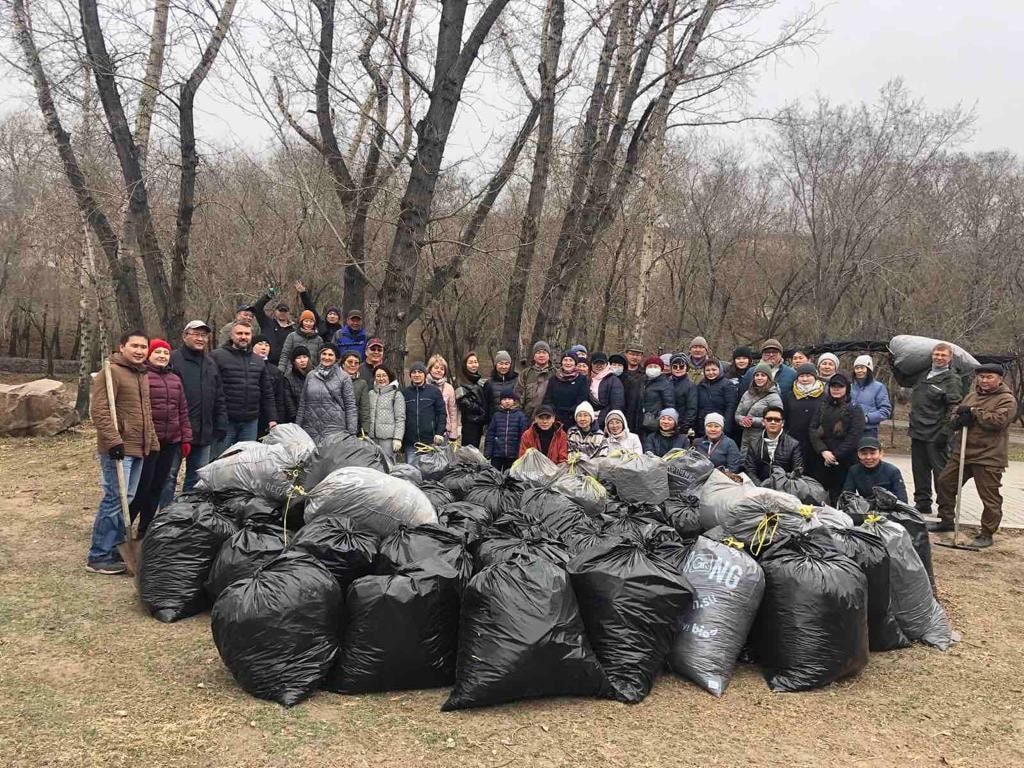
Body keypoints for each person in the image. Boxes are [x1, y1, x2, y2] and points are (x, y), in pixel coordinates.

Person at [87, 330, 158, 574]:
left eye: (143, 347)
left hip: (138, 447)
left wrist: (153, 443)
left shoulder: (141, 374)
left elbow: (145, 413)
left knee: (125, 500)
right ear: (121, 347)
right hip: (118, 448)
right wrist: (114, 441)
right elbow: (99, 411)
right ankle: (98, 556)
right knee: (114, 500)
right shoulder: (112, 373)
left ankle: (114, 549)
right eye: (134, 346)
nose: (139, 351)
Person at [931, 363, 1018, 548]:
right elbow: (956, 414)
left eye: (989, 377)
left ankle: (987, 533)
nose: (984, 380)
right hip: (963, 452)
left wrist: (974, 413)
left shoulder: (1006, 399)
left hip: (988, 455)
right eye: (981, 377)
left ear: (1000, 379)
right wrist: (958, 418)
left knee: (989, 497)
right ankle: (946, 520)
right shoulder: (971, 395)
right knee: (945, 482)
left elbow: (998, 421)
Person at [129, 339, 192, 538]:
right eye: (158, 352)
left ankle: (145, 528)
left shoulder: (175, 379)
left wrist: (185, 438)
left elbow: (182, 410)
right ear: (149, 354)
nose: (162, 356)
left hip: (170, 441)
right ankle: (125, 526)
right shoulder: (142, 377)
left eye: (166, 353)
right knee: (142, 487)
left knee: (158, 486)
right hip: (148, 442)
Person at [166, 320, 226, 499]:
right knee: (169, 476)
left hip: (204, 430)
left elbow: (219, 394)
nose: (200, 339)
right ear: (185, 336)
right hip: (176, 431)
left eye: (204, 335)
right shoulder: (173, 359)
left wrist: (221, 421)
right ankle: (165, 516)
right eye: (196, 334)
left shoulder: (210, 363)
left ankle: (186, 515)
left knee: (196, 476)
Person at [909, 342, 964, 516]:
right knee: (919, 469)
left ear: (950, 358)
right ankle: (922, 502)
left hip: (936, 433)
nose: (939, 358)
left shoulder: (952, 379)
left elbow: (954, 407)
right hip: (917, 429)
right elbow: (904, 379)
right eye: (937, 354)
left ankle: (945, 509)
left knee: (942, 473)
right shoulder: (924, 374)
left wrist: (947, 431)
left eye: (943, 355)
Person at [211, 321, 277, 455]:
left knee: (246, 461)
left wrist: (272, 419)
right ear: (231, 335)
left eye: (247, 334)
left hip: (250, 422)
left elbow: (267, 392)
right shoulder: (217, 356)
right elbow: (211, 389)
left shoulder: (258, 361)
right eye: (239, 333)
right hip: (225, 421)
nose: (243, 337)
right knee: (219, 461)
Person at [809, 373, 865, 503]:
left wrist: (835, 455)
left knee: (841, 497)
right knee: (819, 496)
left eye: (840, 386)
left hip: (844, 460)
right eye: (833, 386)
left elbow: (854, 436)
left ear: (847, 388)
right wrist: (823, 451)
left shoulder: (854, 408)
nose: (836, 389)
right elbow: (812, 428)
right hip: (821, 457)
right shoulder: (822, 405)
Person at [296, 345, 358, 442]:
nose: (326, 357)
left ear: (336, 358)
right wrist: (298, 427)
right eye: (324, 354)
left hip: (335, 429)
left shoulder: (344, 377)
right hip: (311, 428)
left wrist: (352, 432)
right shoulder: (310, 375)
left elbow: (350, 406)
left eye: (330, 355)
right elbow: (303, 403)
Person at [783, 363, 827, 480]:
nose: (805, 379)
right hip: (794, 440)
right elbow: (785, 417)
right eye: (802, 376)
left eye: (808, 375)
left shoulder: (824, 396)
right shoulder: (790, 396)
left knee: (815, 475)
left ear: (815, 377)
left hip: (817, 442)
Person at [742, 405, 803, 482]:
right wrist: (761, 487)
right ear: (763, 422)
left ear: (783, 423)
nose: (773, 422)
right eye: (769, 419)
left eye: (777, 420)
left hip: (784, 488)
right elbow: (750, 471)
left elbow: (796, 471)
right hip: (760, 488)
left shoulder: (793, 444)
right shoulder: (754, 444)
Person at [402, 361, 446, 461]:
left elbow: (442, 414)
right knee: (412, 472)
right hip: (411, 443)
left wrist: (439, 432)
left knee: (430, 472)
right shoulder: (405, 393)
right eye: (414, 372)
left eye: (420, 372)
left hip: (430, 441)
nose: (417, 375)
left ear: (425, 374)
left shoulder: (434, 391)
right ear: (410, 375)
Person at [734, 362, 783, 452]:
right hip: (745, 439)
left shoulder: (774, 397)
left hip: (763, 439)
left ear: (768, 378)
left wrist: (752, 421)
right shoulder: (747, 393)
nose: (759, 378)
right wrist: (742, 419)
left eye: (763, 375)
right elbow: (737, 414)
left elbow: (776, 419)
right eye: (757, 375)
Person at [843, 436, 908, 502]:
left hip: (889, 508)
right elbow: (847, 496)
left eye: (872, 453)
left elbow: (903, 501)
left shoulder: (893, 471)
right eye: (864, 454)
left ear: (881, 453)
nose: (868, 457)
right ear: (858, 454)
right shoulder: (854, 470)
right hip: (865, 508)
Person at [365, 365, 406, 461]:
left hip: (388, 440)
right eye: (378, 376)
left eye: (384, 375)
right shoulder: (371, 393)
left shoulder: (396, 394)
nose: (381, 378)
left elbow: (400, 418)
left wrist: (398, 438)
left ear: (389, 377)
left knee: (388, 465)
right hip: (371, 438)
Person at [849, 354, 892, 439]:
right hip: (849, 430)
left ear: (868, 369)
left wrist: (866, 418)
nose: (859, 370)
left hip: (868, 431)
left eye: (862, 368)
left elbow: (885, 410)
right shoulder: (849, 387)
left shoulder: (879, 387)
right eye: (857, 368)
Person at [252, 335, 287, 437]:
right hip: (249, 416)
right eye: (260, 344)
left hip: (268, 418)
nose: (264, 347)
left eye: (267, 345)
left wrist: (278, 419)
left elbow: (279, 399)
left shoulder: (275, 371)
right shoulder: (245, 365)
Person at [543, 352, 590, 428]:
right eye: (565, 360)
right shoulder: (553, 379)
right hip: (555, 418)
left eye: (570, 360)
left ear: (575, 363)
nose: (568, 363)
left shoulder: (582, 379)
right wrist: (553, 413)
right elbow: (547, 399)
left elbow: (582, 399)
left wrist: (571, 412)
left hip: (573, 418)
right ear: (561, 362)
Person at [485, 391, 528, 470]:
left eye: (509, 399)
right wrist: (488, 451)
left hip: (513, 454)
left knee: (509, 477)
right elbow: (490, 434)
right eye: (504, 399)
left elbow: (523, 436)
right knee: (494, 476)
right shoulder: (496, 415)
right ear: (500, 401)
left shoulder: (520, 416)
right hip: (497, 454)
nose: (507, 401)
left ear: (514, 400)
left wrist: (521, 453)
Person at [695, 358, 737, 438]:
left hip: (720, 428)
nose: (711, 373)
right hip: (702, 427)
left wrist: (725, 428)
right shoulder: (701, 385)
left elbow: (731, 407)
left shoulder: (727, 385)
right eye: (708, 370)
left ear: (720, 370)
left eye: (714, 370)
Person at [253, 291, 296, 366]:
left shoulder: (293, 331)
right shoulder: (266, 322)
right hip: (263, 362)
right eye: (280, 310)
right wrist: (268, 296)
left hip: (282, 366)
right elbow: (257, 308)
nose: (282, 313)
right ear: (275, 312)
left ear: (288, 313)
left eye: (285, 311)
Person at [456, 352, 489, 449]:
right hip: (469, 425)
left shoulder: (478, 382)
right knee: (469, 455)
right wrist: (481, 410)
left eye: (475, 362)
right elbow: (465, 404)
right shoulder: (461, 381)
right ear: (465, 365)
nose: (474, 365)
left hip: (480, 424)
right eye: (470, 362)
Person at [515, 340, 554, 422]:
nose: (541, 355)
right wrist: (520, 416)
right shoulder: (525, 374)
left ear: (549, 355)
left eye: (544, 352)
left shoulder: (555, 373)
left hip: (548, 419)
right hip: (527, 419)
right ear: (534, 356)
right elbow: (518, 396)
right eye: (538, 352)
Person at [426, 354, 460, 441]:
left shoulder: (449, 388)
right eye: (436, 368)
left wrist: (453, 433)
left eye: (442, 369)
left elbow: (452, 410)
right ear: (430, 369)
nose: (439, 371)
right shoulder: (424, 385)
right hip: (426, 429)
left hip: (444, 431)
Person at [589, 352, 625, 428]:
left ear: (607, 364)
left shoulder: (614, 381)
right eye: (596, 363)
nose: (599, 366)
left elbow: (616, 405)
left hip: (604, 421)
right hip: (586, 419)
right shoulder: (586, 378)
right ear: (591, 364)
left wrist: (603, 421)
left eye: (602, 363)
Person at [641, 354, 675, 435]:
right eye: (650, 366)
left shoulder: (665, 384)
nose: (652, 369)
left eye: (655, 366)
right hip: (640, 422)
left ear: (661, 369)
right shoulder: (641, 381)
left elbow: (669, 406)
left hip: (654, 424)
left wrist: (661, 421)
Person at [668, 354, 698, 435]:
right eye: (675, 367)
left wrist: (684, 427)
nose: (678, 369)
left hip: (680, 426)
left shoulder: (690, 386)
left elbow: (692, 409)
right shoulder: (666, 383)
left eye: (681, 367)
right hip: (665, 423)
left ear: (686, 368)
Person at [483, 350, 518, 419]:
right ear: (496, 364)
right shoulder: (489, 383)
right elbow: (486, 406)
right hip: (495, 422)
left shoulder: (516, 381)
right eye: (501, 363)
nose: (504, 367)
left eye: (506, 364)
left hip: (513, 421)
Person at [341, 351, 370, 432]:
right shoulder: (335, 379)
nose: (353, 365)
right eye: (350, 362)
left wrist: (365, 430)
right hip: (335, 425)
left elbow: (364, 409)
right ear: (343, 364)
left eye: (356, 363)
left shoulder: (362, 383)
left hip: (353, 425)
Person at [620, 344, 647, 433]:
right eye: (632, 354)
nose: (634, 357)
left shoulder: (645, 375)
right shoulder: (619, 373)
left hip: (638, 416)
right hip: (621, 413)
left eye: (638, 355)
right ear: (626, 354)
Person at [282, 344, 311, 423]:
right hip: (297, 419)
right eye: (298, 358)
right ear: (293, 362)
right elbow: (289, 404)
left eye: (305, 357)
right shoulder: (288, 378)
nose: (302, 360)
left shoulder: (315, 374)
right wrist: (296, 419)